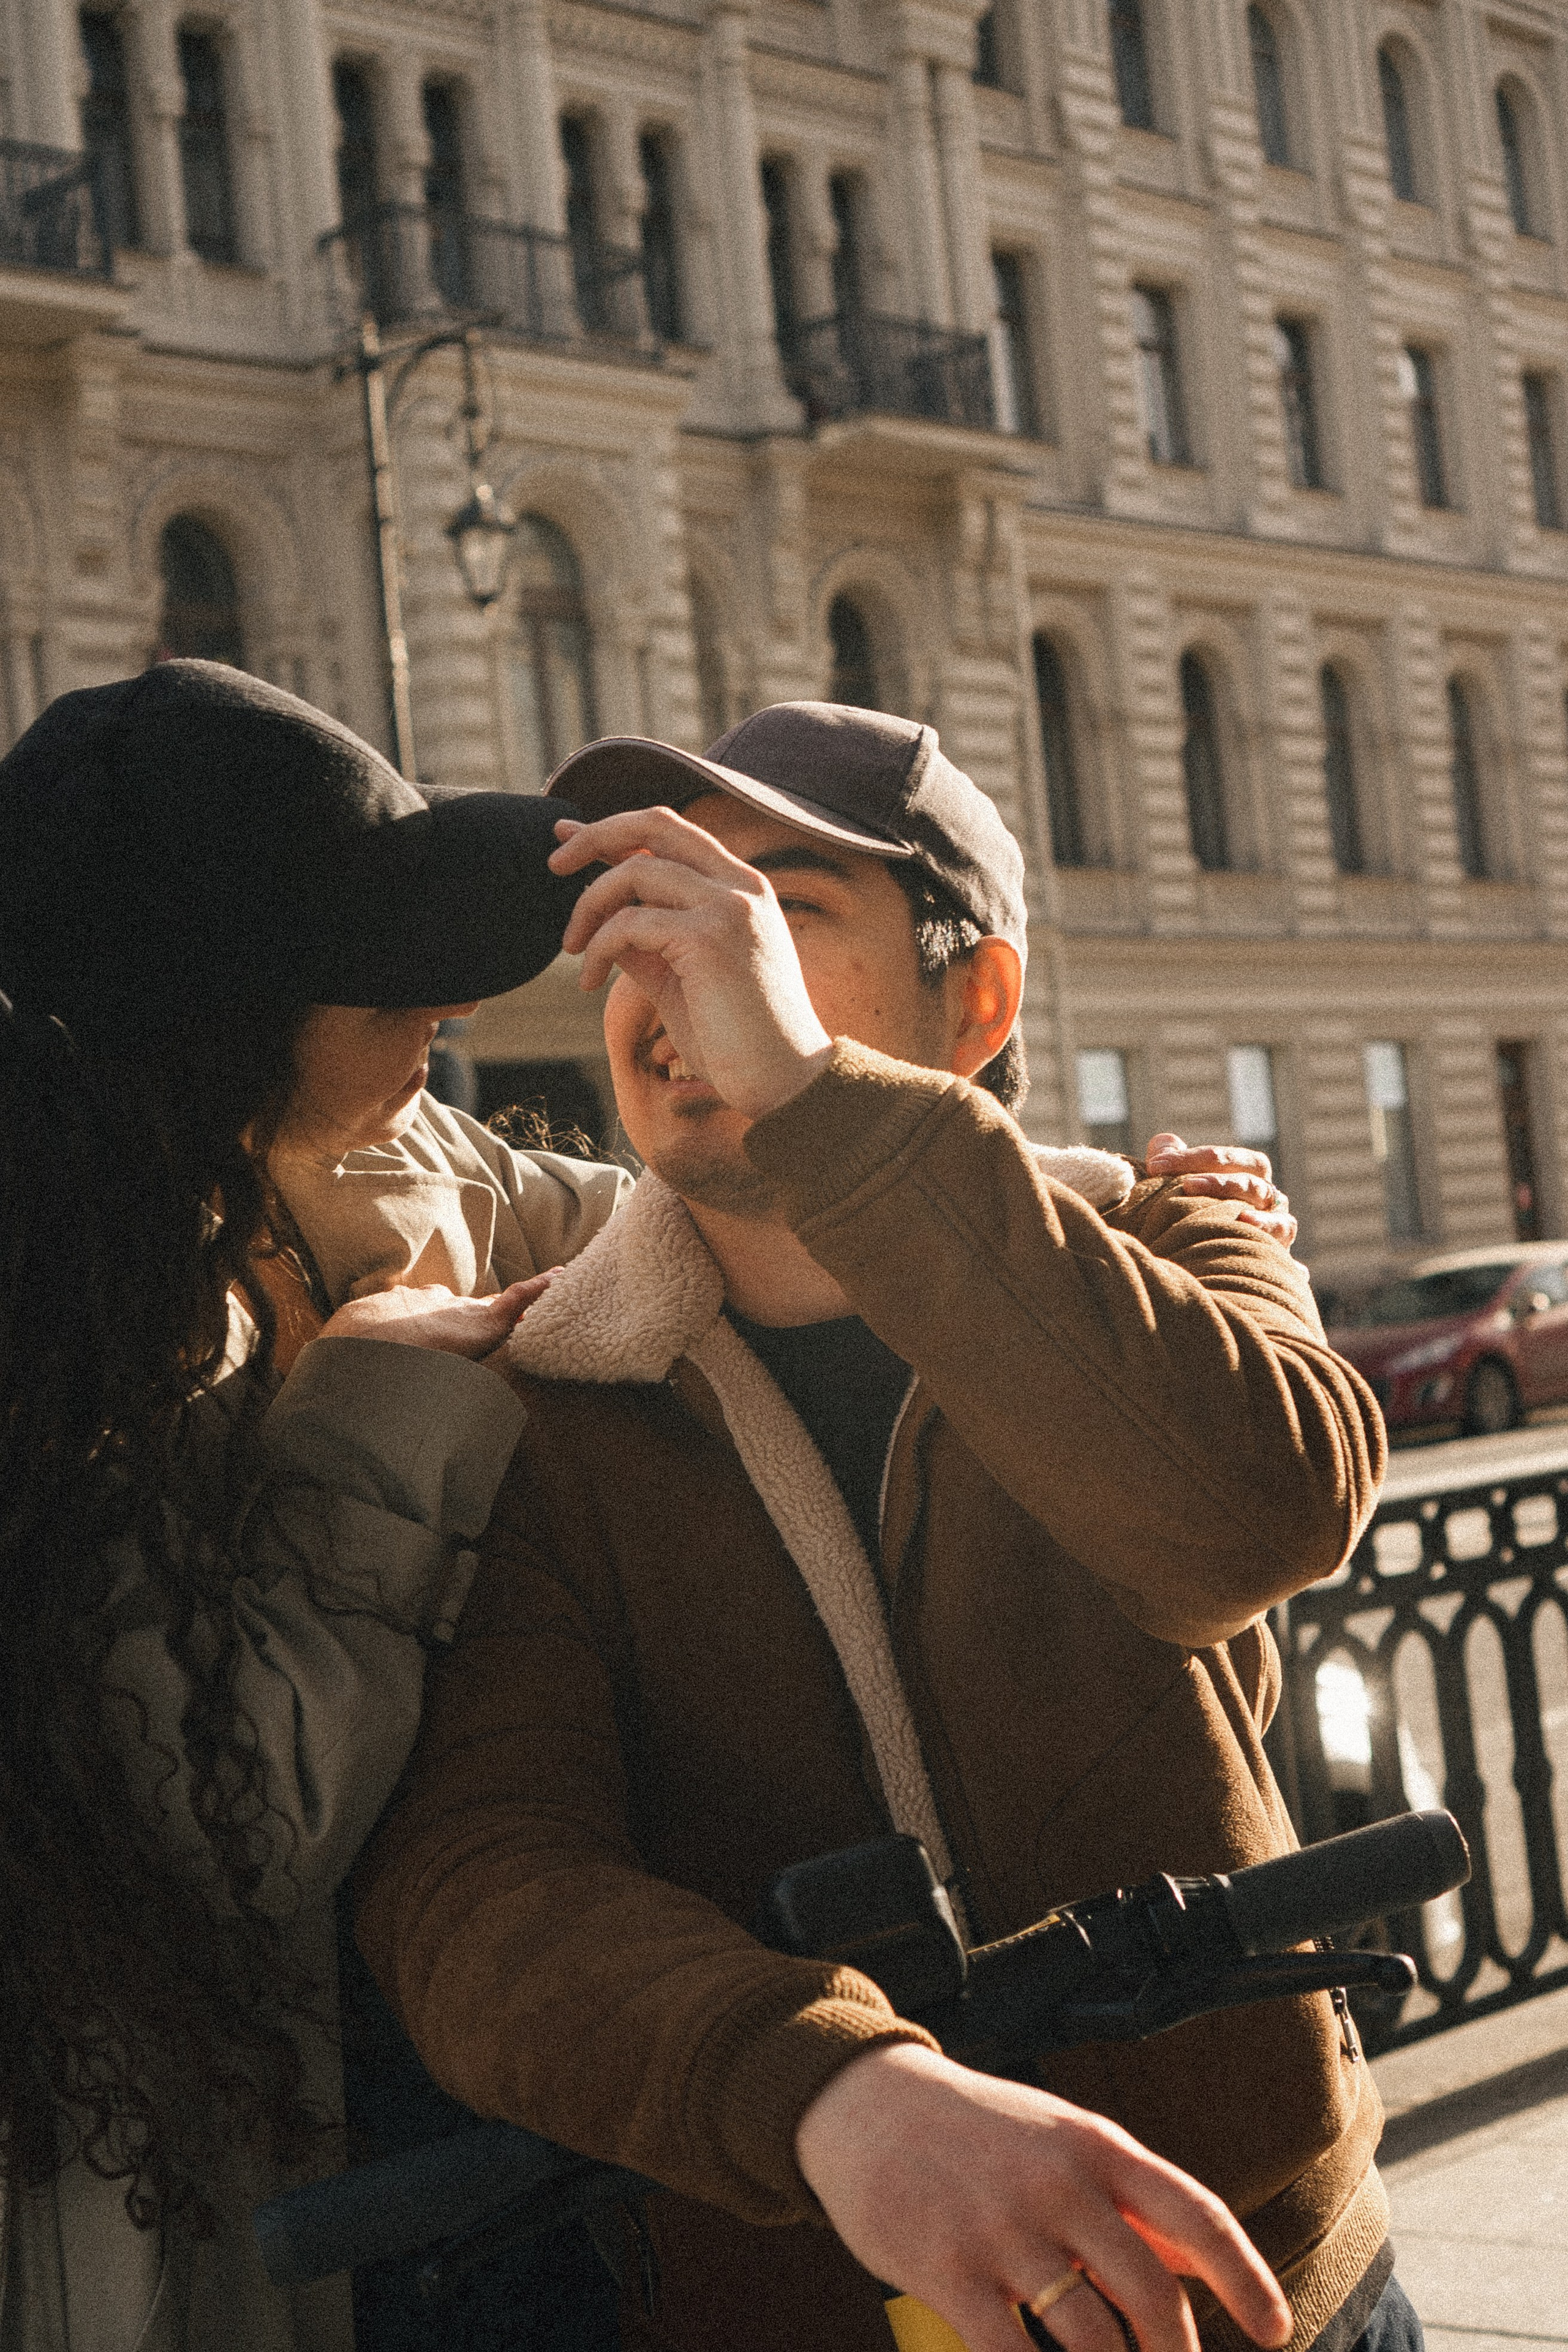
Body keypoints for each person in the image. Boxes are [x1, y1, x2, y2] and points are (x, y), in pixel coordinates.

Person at [356, 702, 1396, 2352]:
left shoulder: (1164, 1244)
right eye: (645, 918)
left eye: (774, 907)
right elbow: (484, 1895)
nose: (681, 965)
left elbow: (1250, 1511)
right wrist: (832, 2089)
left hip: (1270, 2289)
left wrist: (822, 1098)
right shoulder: (557, 1403)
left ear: (976, 997)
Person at [0, 660, 635, 2352]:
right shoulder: (56, 1322)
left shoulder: (358, 1146)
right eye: (387, 976)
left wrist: (1021, 1206)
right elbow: (223, 1822)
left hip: (429, 2117)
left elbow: (647, 1220)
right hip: (176, 2212)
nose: (444, 1018)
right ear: (223, 1016)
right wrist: (379, 1398)